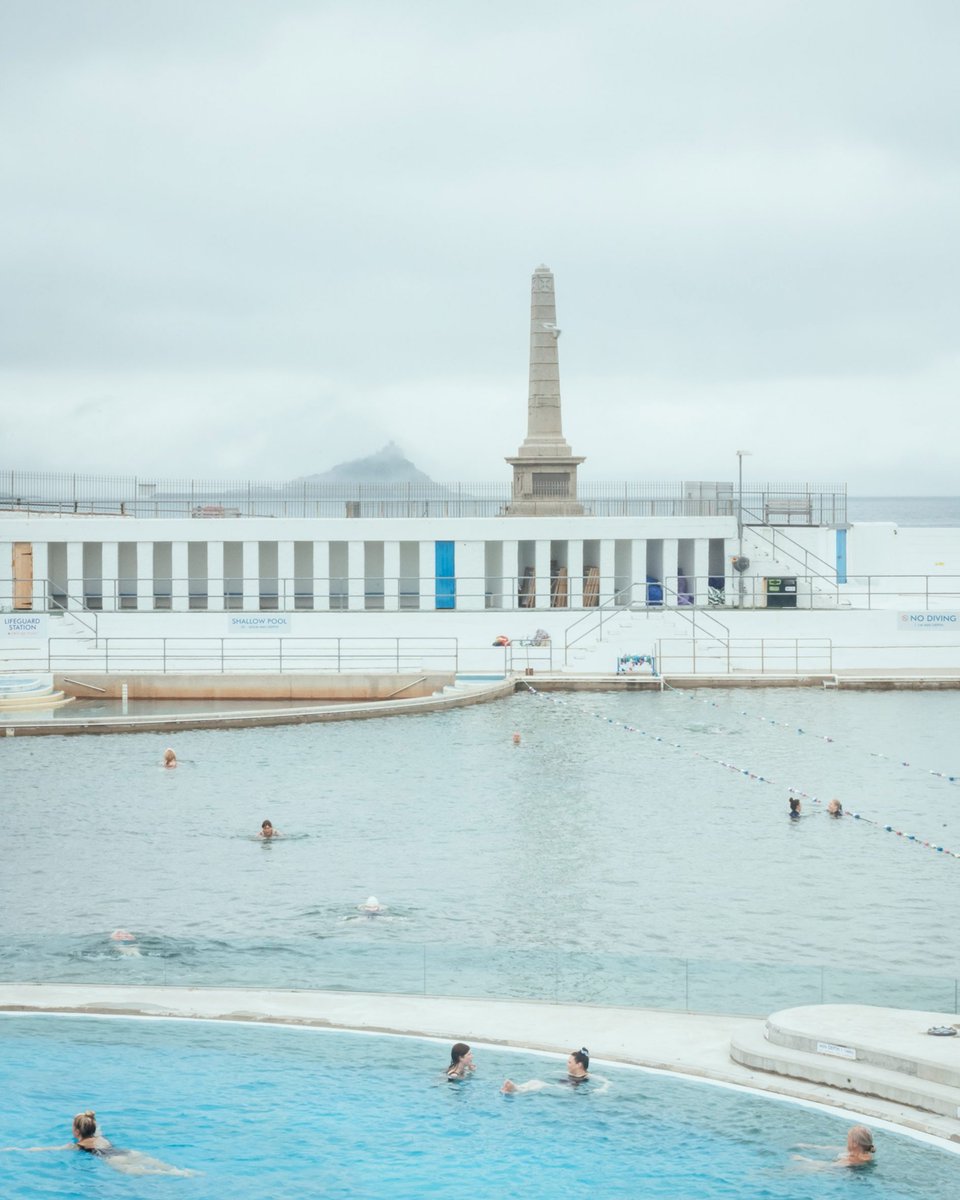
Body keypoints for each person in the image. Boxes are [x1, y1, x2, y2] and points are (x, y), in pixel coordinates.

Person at [2, 1110, 196, 1177]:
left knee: (135, 1172)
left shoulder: (77, 1145)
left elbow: (42, 1149)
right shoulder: (100, 1136)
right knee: (156, 1163)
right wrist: (87, 1118)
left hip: (111, 1158)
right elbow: (94, 1125)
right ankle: (180, 1170)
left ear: (76, 1132)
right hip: (126, 1152)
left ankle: (177, 1174)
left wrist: (12, 1149)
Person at [502, 1047, 590, 1093]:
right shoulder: (570, 1072)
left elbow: (602, 1080)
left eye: (569, 1062)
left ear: (579, 1065)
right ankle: (517, 1088)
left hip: (564, 1090)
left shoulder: (586, 1076)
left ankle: (517, 1089)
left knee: (540, 1084)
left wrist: (600, 1090)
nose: (567, 1064)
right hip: (559, 1086)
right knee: (534, 1081)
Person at [793, 1124, 875, 1169]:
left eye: (848, 1138)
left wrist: (804, 1159)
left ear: (855, 1143)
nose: (846, 1141)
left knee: (803, 1168)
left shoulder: (852, 1160)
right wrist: (809, 1146)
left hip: (843, 1175)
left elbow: (827, 1167)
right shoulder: (865, 1154)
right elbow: (829, 1148)